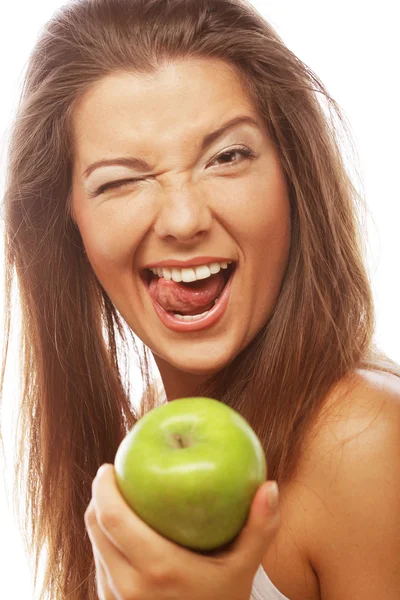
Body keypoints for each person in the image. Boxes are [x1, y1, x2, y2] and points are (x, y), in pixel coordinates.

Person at [0, 0, 399, 598]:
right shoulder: (145, 428)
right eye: (121, 180)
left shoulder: (366, 444)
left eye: (227, 157)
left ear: (293, 174)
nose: (184, 220)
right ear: (69, 221)